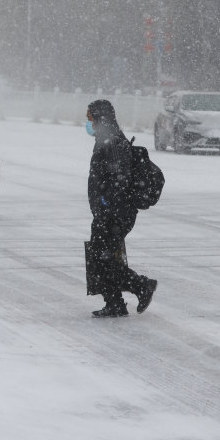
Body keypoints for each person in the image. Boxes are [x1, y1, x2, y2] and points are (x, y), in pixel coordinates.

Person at [85, 99, 157, 318]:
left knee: (104, 258)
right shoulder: (106, 139)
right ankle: (114, 302)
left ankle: (141, 285)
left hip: (116, 213)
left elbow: (120, 178)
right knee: (103, 258)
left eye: (90, 118)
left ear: (101, 118)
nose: (89, 123)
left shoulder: (114, 141)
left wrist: (108, 206)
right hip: (108, 212)